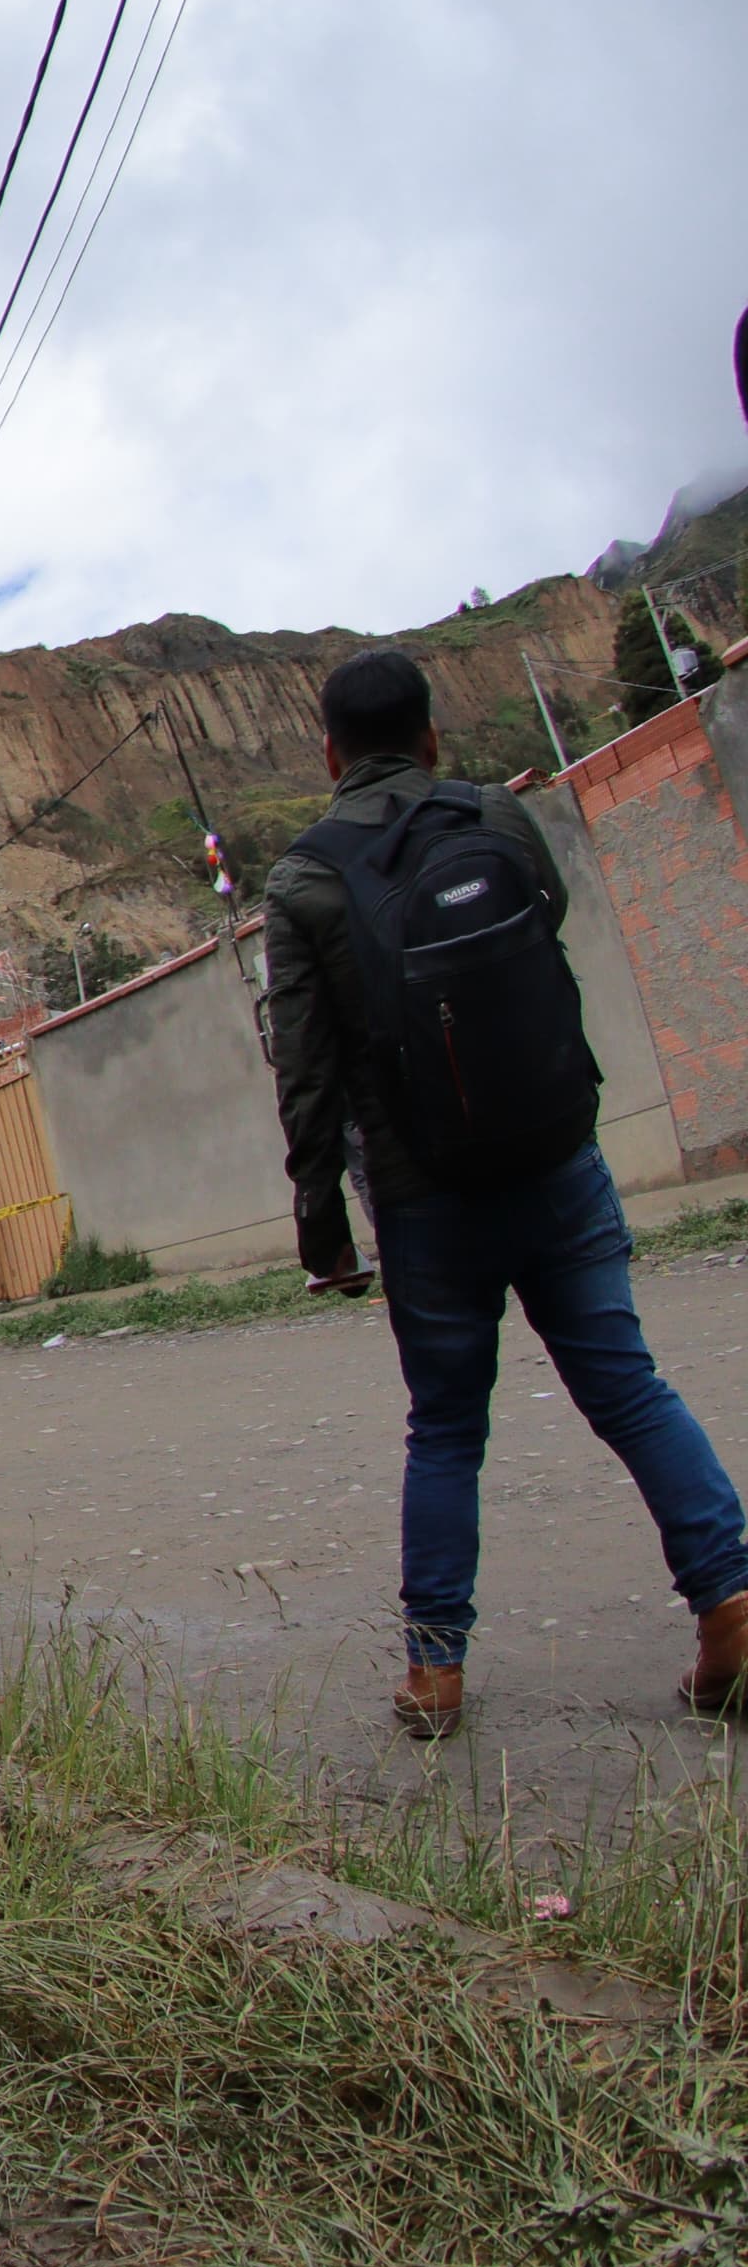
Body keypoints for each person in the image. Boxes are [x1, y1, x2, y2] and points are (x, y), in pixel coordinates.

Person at [264, 645, 748, 1740]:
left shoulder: (302, 882)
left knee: (443, 1427)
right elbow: (548, 919)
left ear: (329, 755)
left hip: (422, 1192)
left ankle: (434, 1672)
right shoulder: (494, 813)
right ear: (430, 736)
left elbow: (302, 1072)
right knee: (628, 1390)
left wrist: (320, 1227)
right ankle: (729, 1609)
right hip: (553, 1156)